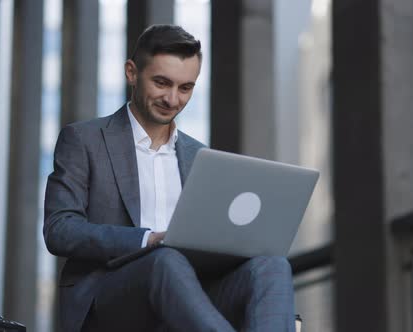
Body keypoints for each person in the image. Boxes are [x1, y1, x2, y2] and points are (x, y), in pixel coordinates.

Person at [44, 24, 296, 332]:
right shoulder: (84, 140)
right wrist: (148, 240)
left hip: (191, 292)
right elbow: (59, 230)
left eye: (185, 88)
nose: (173, 99)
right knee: (164, 260)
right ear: (132, 72)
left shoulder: (202, 157)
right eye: (162, 83)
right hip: (110, 295)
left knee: (271, 266)